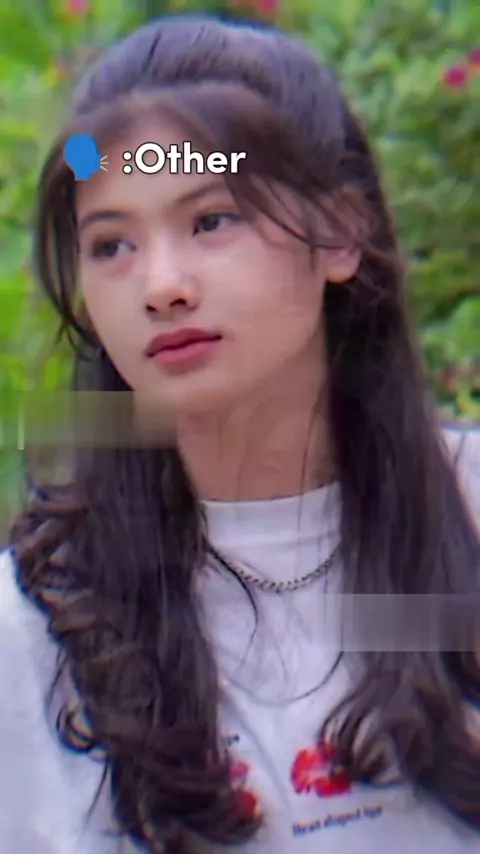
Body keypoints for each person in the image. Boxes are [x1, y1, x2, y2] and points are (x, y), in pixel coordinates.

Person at [0, 13, 479, 854]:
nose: (162, 285)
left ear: (339, 232)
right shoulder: (36, 623)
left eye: (211, 221)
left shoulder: (469, 505)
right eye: (111, 245)